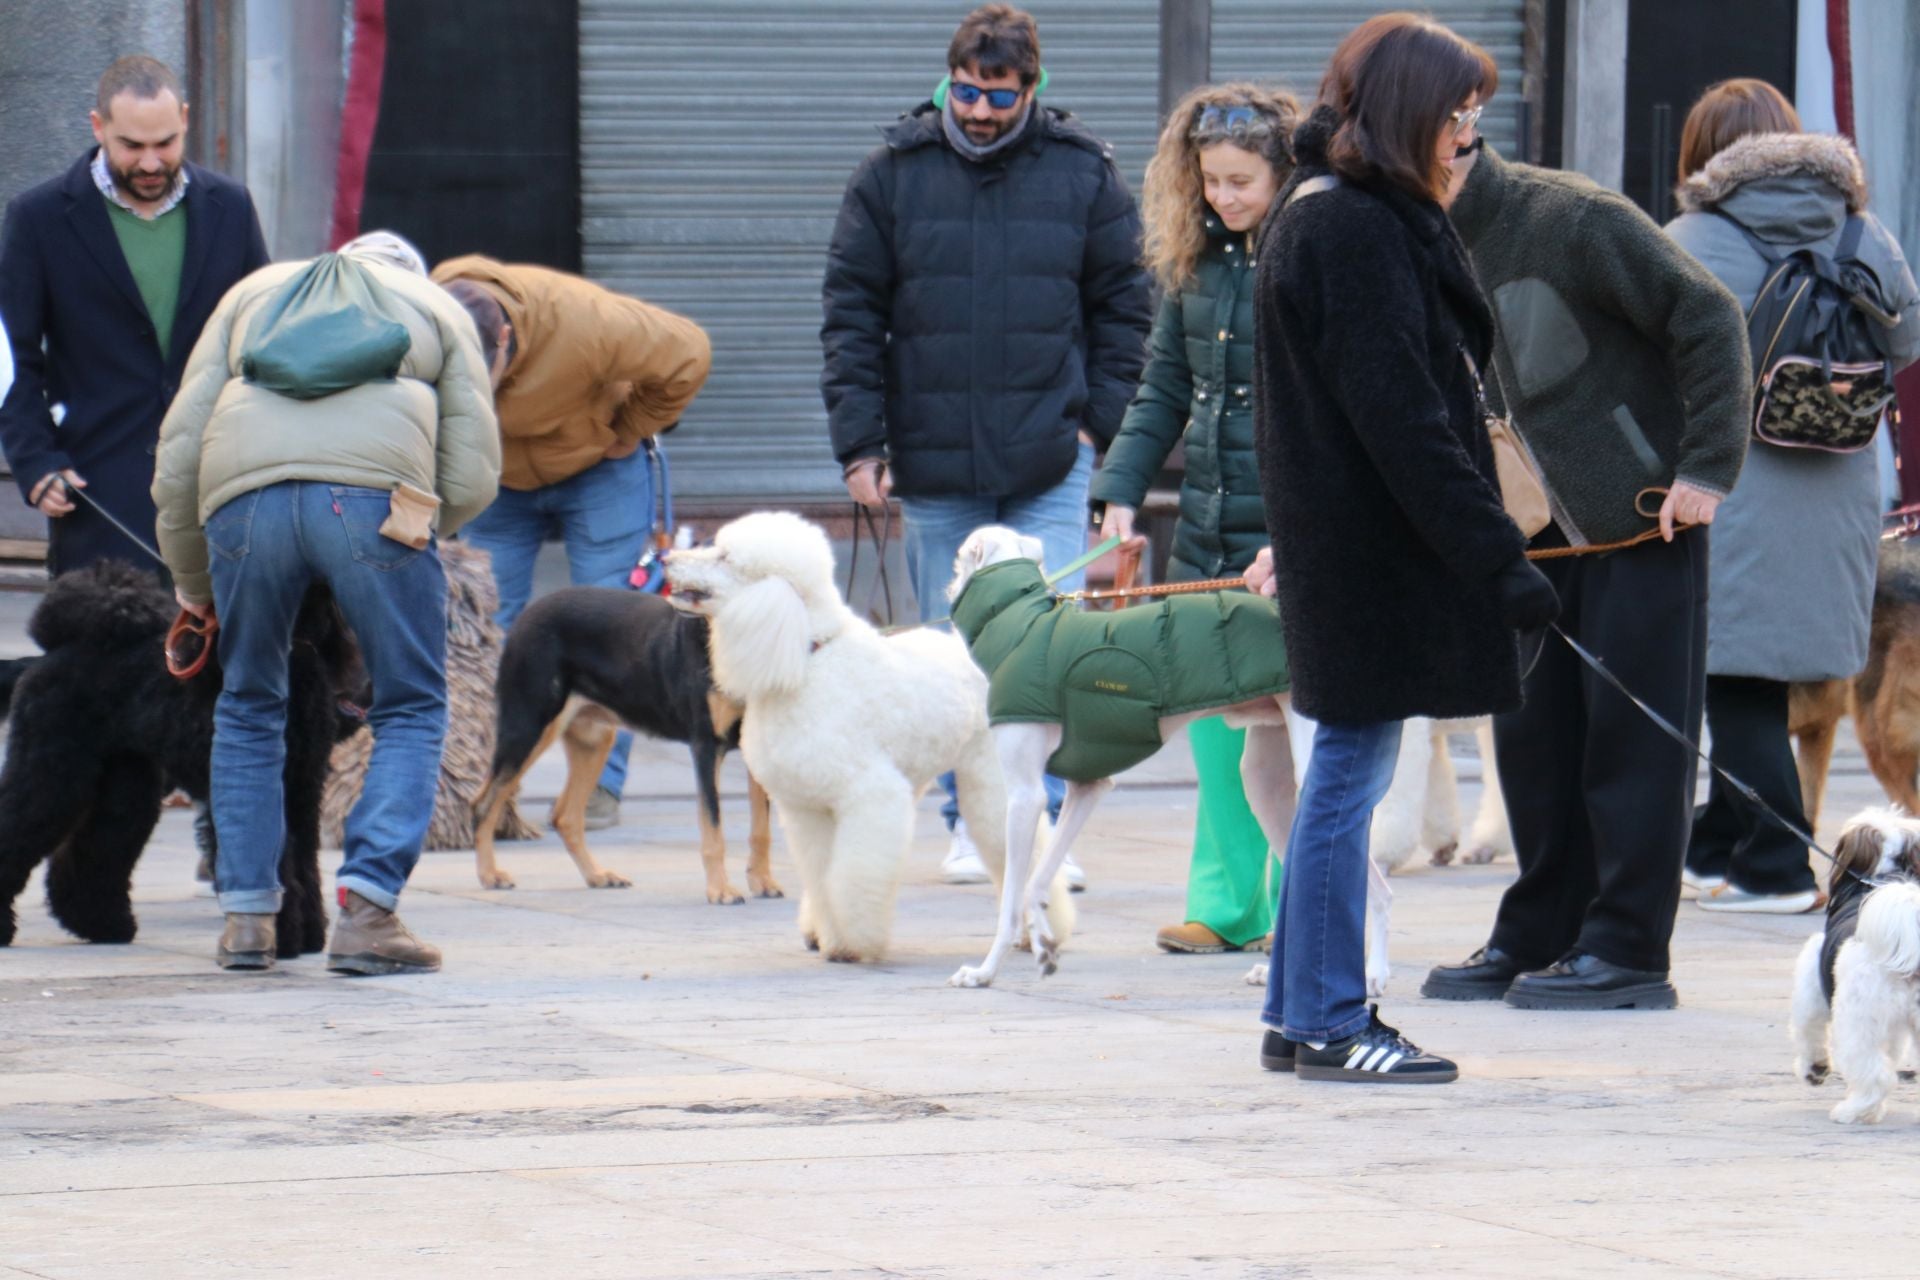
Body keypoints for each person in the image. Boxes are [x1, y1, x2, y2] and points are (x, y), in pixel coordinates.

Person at [1252, 15, 1554, 1083]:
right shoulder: (1353, 227)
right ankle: (1333, 1014)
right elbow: (1405, 418)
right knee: (1345, 779)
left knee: (1342, 772)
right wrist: (1495, 556)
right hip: (1367, 547)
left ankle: (1302, 1009)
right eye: (1458, 118)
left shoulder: (1333, 211)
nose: (1467, 139)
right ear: (1411, 115)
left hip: (1354, 542)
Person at [1422, 58, 1754, 1010]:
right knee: (1531, 740)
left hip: (1640, 524)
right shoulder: (1409, 238)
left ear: (1460, 127)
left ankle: (1627, 949)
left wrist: (1702, 469)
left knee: (1633, 743)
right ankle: (1540, 928)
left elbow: (1708, 314)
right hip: (1523, 536)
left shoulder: (1565, 213)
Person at [821, 3, 1151, 885]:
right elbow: (851, 316)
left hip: (1051, 450)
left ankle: (1036, 830)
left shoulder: (1084, 173)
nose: (979, 111)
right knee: (951, 652)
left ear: (1031, 88)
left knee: (1046, 645)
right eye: (966, 92)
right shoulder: (891, 174)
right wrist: (861, 446)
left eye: (999, 97)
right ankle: (969, 826)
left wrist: (1097, 426)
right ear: (950, 80)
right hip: (933, 459)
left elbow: (1126, 307)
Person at [152, 231, 502, 973]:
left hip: (243, 507)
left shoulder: (252, 295)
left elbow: (179, 450)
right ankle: (369, 910)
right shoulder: (436, 305)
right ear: (404, 273)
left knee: (248, 703)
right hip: (374, 508)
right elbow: (472, 471)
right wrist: (421, 526)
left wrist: (193, 583)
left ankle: (247, 918)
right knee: (410, 703)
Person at [1667, 80, 1920, 911]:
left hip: (1732, 479)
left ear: (1703, 153)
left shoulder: (1691, 236)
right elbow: (1908, 338)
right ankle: (1713, 846)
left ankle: (1773, 865)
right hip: (1844, 481)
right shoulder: (1860, 228)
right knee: (1763, 672)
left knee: (1734, 674)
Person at [1089, 83, 1299, 956]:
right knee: (1214, 727)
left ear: (1285, 172)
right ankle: (1224, 905)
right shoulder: (1198, 264)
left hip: (1288, 538)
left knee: (1294, 735)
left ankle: (1300, 911)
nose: (1223, 196)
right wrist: (1119, 489)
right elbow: (1162, 388)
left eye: (1242, 179)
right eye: (1210, 179)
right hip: (1207, 535)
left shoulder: (1313, 252)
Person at [431, 255, 712, 830]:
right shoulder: (420, 315)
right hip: (497, 479)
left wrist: (627, 430)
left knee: (618, 623)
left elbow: (690, 351)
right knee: (483, 627)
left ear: (505, 337)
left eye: (485, 373)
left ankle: (598, 790)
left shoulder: (585, 323)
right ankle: (490, 792)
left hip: (597, 470)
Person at [0, 55, 268, 575]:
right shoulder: (38, 219)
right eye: (132, 146)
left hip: (218, 488)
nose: (150, 162)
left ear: (185, 120)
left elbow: (261, 338)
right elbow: (14, 358)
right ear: (98, 126)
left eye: (165, 143)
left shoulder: (231, 208)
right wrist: (35, 462)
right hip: (98, 491)